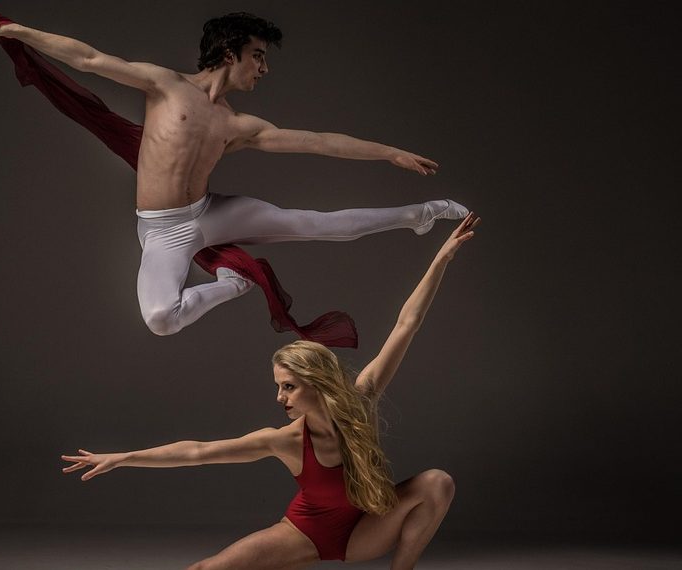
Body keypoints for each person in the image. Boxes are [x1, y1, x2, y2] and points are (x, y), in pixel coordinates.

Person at [0, 8, 468, 338]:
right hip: (163, 230)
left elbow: (318, 142)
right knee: (161, 319)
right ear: (230, 53)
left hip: (211, 214)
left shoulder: (239, 124)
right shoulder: (165, 86)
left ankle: (422, 214)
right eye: (258, 56)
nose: (263, 69)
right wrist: (11, 30)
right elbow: (90, 58)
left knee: (318, 223)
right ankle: (233, 284)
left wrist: (389, 153)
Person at [61, 214, 480, 569]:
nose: (280, 398)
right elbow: (198, 452)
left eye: (288, 387)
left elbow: (407, 323)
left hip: (365, 534)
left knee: (437, 482)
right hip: (306, 533)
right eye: (279, 388)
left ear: (317, 384)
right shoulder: (285, 440)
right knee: (207, 569)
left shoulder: (362, 397)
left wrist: (441, 258)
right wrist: (123, 458)